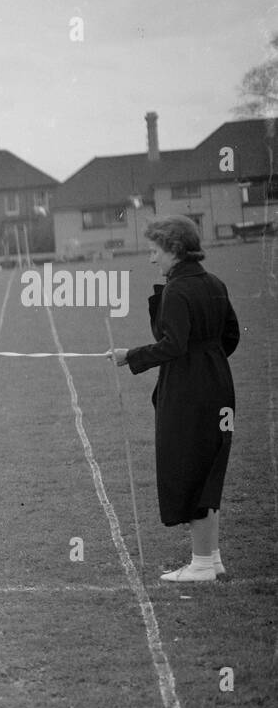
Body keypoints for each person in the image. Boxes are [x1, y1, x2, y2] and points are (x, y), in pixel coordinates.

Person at [109, 216, 240, 582]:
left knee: (190, 467)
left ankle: (200, 564)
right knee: (209, 467)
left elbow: (173, 344)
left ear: (174, 250)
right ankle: (211, 558)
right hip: (219, 385)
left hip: (189, 392)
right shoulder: (214, 283)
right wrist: (208, 363)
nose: (152, 259)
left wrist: (129, 356)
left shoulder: (177, 291)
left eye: (155, 251)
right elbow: (230, 337)